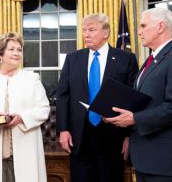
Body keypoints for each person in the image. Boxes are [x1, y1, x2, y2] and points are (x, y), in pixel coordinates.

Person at [104, 8, 172, 182]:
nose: (139, 31)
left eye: (143, 26)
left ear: (160, 26)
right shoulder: (150, 61)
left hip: (166, 161)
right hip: (145, 157)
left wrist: (135, 118)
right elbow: (145, 101)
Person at [56, 13, 139, 182]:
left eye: (92, 30)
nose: (86, 34)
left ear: (105, 33)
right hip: (79, 133)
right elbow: (63, 96)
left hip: (113, 132)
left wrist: (129, 135)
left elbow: (132, 98)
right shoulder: (73, 59)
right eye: (84, 30)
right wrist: (63, 130)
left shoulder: (126, 59)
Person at [0, 32, 50, 182]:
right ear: (1, 54)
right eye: (11, 49)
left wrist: (22, 118)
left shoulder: (32, 79)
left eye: (19, 50)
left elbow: (44, 109)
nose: (17, 53)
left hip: (24, 149)